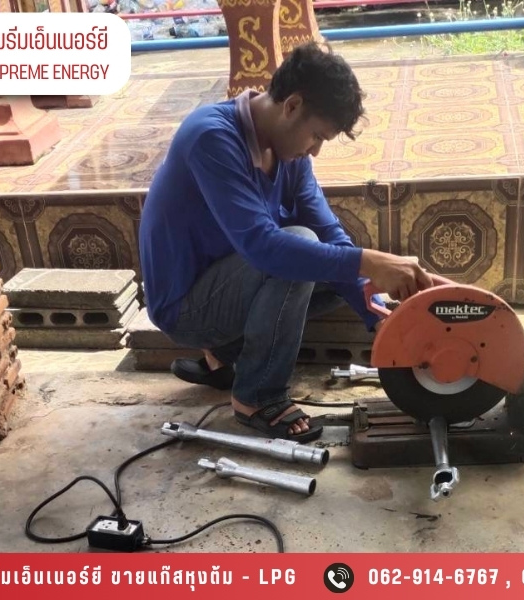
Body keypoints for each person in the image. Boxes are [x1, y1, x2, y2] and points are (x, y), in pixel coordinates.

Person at [139, 42, 434, 444]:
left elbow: (330, 234)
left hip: (228, 284)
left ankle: (224, 356)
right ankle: (257, 396)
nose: (315, 150)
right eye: (316, 136)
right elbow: (263, 247)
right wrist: (369, 262)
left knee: (330, 263)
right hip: (185, 307)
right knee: (296, 247)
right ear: (292, 106)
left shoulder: (290, 158)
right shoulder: (210, 137)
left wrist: (377, 315)